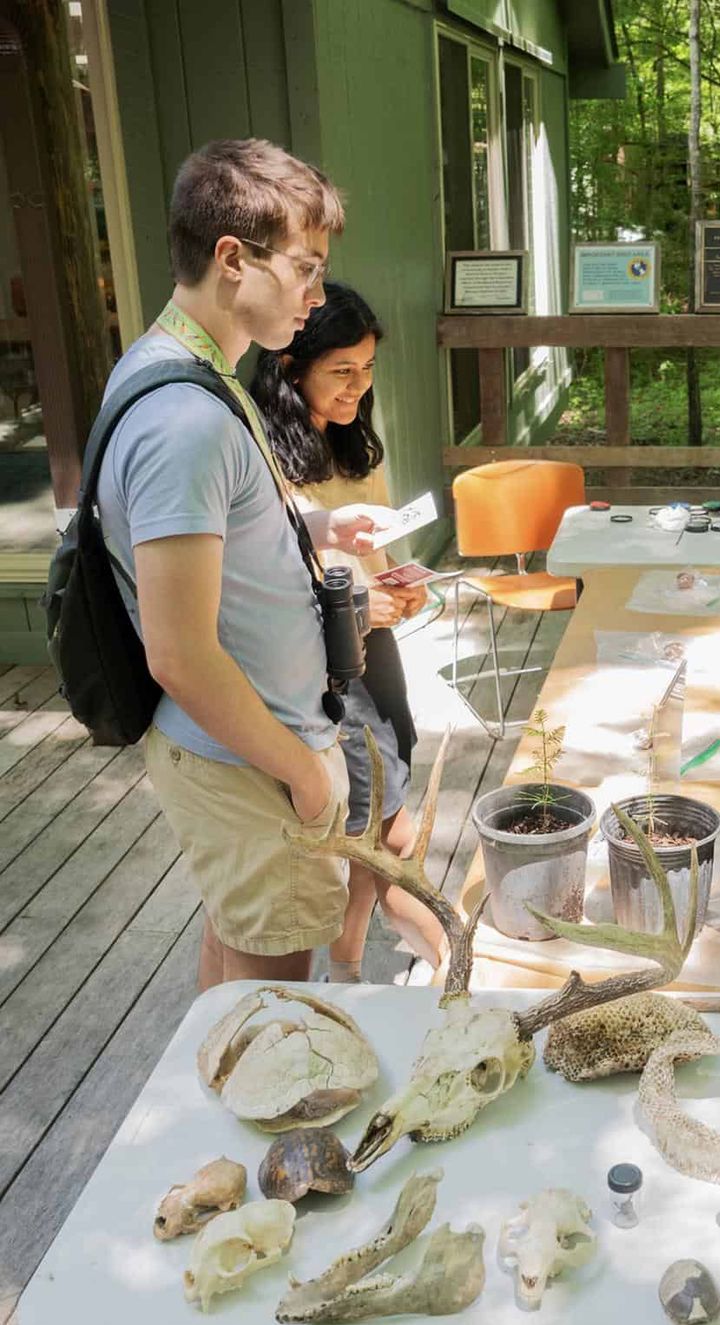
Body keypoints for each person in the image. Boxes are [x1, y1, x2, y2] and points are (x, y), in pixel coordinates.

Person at [95, 139, 387, 989]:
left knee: (236, 960)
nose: (318, 294)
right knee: (274, 1008)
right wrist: (302, 772)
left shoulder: (191, 373)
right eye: (306, 268)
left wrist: (322, 527)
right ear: (232, 259)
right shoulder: (184, 419)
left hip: (245, 750)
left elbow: (224, 528)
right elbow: (179, 653)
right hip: (249, 760)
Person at [252, 283, 445, 979]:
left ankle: (349, 959)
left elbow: (373, 554)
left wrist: (401, 584)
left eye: (366, 370)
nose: (358, 388)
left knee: (376, 810)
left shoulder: (357, 444)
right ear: (290, 367)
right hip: (320, 665)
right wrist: (364, 602)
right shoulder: (257, 455)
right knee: (385, 819)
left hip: (376, 652)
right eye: (341, 370)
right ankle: (449, 954)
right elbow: (271, 578)